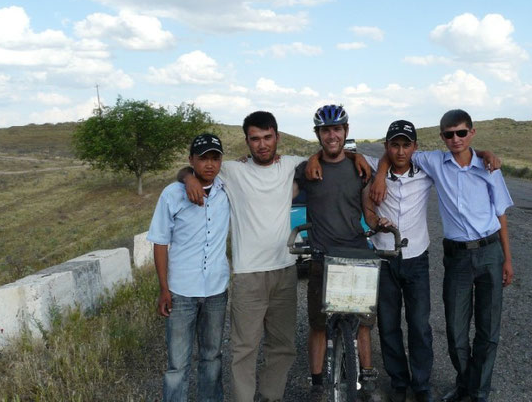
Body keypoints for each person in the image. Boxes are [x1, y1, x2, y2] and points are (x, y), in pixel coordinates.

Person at [178, 111, 370, 402]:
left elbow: (331, 155)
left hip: (284, 269)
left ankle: (271, 397)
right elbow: (193, 168)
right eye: (255, 139)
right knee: (245, 349)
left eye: (268, 137)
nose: (262, 144)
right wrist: (187, 177)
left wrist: (359, 157)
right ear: (246, 142)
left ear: (277, 137)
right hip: (247, 274)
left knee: (282, 346)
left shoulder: (292, 165)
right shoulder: (232, 170)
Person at [370, 110, 513, 402]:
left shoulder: (488, 167)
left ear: (471, 133)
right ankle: (461, 384)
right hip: (455, 257)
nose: (455, 139)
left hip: (487, 252)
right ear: (441, 137)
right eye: (449, 134)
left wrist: (508, 260)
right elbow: (386, 156)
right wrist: (381, 176)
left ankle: (477, 392)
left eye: (461, 133)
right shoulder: (434, 162)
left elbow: (501, 215)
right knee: (455, 331)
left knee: (486, 329)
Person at [297, 104, 380, 402]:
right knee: (319, 324)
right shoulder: (306, 170)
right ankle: (317, 384)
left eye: (337, 129)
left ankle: (367, 379)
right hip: (321, 256)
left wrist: (379, 223)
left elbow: (368, 210)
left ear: (346, 131)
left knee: (363, 323)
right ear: (318, 134)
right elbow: (280, 191)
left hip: (357, 254)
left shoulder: (360, 167)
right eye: (325, 130)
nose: (332, 135)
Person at [147, 133, 230, 402]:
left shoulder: (227, 189)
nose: (209, 164)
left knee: (212, 356)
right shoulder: (171, 195)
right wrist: (164, 289)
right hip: (181, 291)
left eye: (215, 158)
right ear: (191, 160)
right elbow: (160, 243)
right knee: (177, 364)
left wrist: (187, 176)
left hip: (216, 290)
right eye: (202, 158)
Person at [361, 120, 435, 402]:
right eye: (395, 144)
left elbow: (459, 155)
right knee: (388, 324)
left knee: (419, 324)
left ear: (415, 147)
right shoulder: (371, 165)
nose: (401, 151)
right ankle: (398, 381)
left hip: (416, 257)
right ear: (386, 147)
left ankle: (422, 383)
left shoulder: (426, 172)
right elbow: (347, 152)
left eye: (406, 145)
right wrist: (380, 172)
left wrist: (486, 154)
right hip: (383, 256)